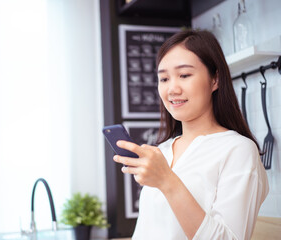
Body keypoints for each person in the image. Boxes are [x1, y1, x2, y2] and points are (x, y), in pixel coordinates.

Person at [113, 30, 269, 240]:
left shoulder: (238, 150)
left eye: (184, 75)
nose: (172, 89)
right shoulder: (163, 151)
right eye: (164, 78)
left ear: (215, 79)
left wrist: (167, 181)